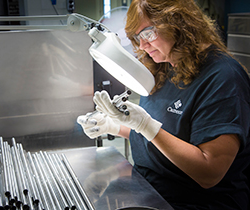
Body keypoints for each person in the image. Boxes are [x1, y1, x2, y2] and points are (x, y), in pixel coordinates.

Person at [77, 0, 250, 209]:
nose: (142, 45)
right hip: (149, 191)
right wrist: (113, 127)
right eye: (136, 38)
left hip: (197, 203)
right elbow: (165, 135)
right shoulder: (162, 66)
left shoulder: (223, 78)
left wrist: (145, 125)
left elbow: (209, 172)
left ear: (178, 23)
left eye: (148, 34)